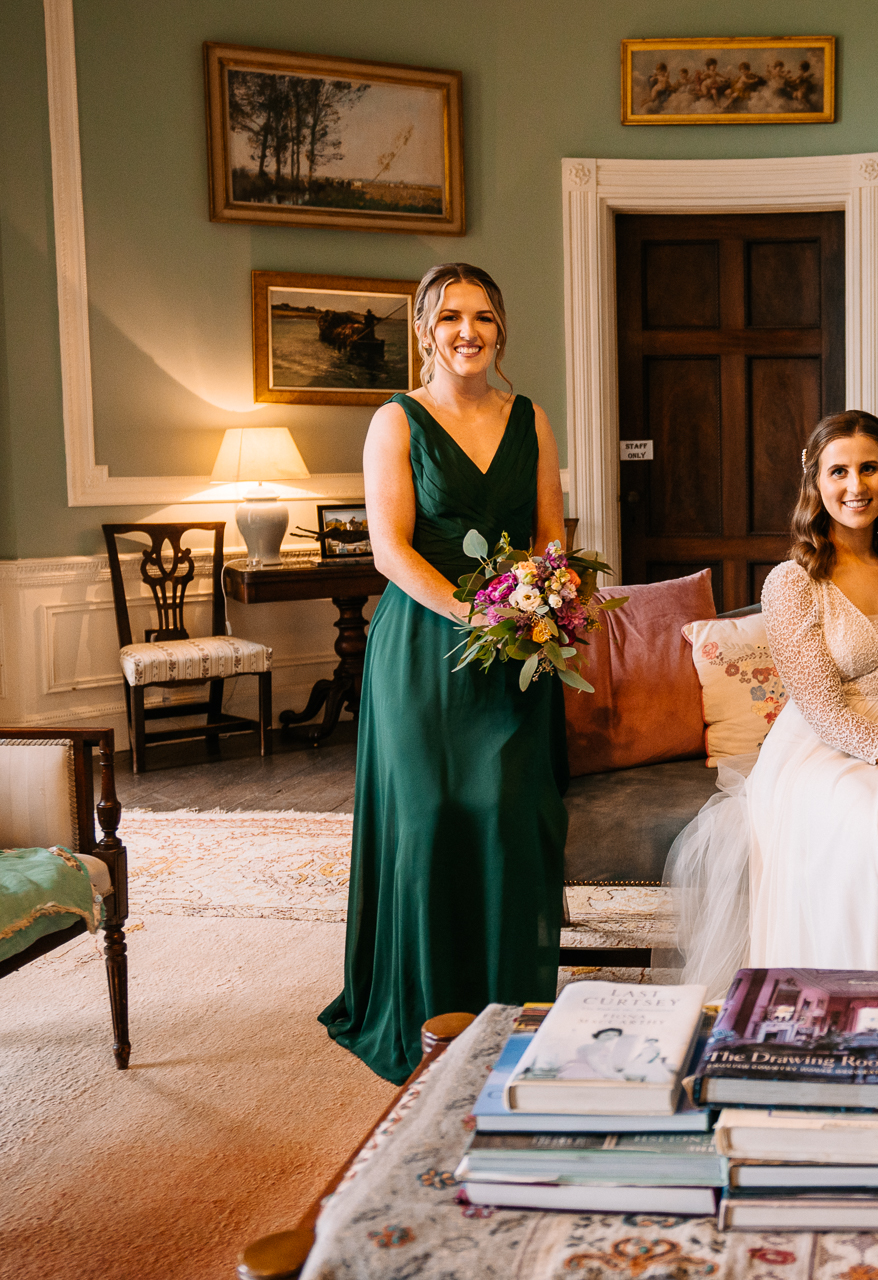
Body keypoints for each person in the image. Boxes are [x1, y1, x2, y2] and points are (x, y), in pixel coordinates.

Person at [319, 263, 568, 1084]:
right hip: (425, 652)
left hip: (516, 658)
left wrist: (548, 601)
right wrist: (479, 616)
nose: (469, 331)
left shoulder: (531, 418)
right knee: (427, 823)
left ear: (501, 331)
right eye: (452, 316)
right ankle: (421, 1012)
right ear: (425, 329)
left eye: (484, 317)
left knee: (506, 818)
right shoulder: (396, 422)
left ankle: (509, 1013)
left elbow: (548, 536)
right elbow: (390, 550)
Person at [666, 411, 878, 1000]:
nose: (857, 486)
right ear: (816, 484)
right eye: (840, 471)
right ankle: (860, 1002)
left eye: (870, 468)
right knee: (872, 821)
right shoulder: (792, 582)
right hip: (825, 750)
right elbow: (823, 709)